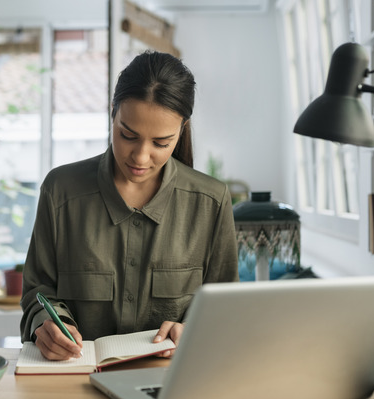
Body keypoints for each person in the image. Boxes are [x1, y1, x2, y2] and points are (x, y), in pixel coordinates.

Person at [19, 50, 238, 360]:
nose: (140, 157)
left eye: (161, 143)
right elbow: (37, 293)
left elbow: (225, 309)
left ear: (182, 129)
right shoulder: (61, 191)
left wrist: (195, 329)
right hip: (74, 379)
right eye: (127, 135)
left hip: (170, 382)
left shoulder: (211, 202)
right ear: (113, 113)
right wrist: (48, 326)